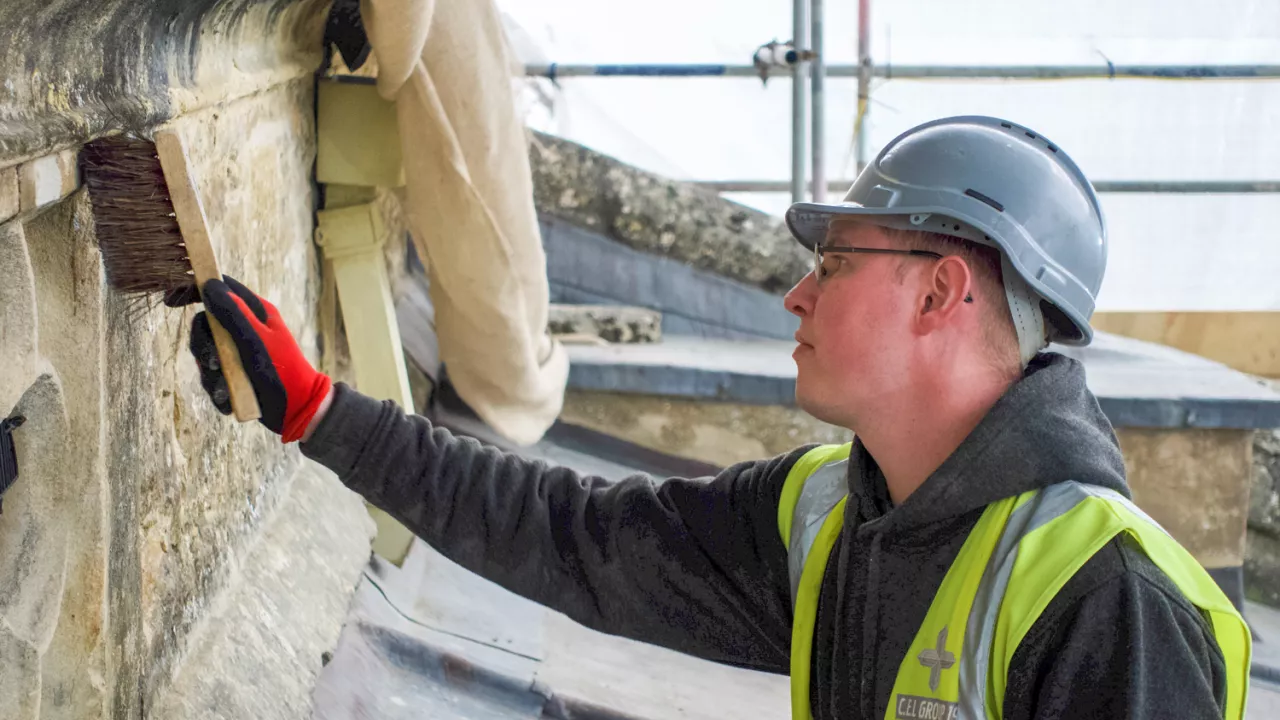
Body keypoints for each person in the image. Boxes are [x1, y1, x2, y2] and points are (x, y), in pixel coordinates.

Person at [189, 116, 1250, 719]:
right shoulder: (828, 511)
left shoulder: (1106, 600)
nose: (795, 295)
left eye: (833, 264)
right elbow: (574, 538)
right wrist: (320, 414)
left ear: (939, 295)